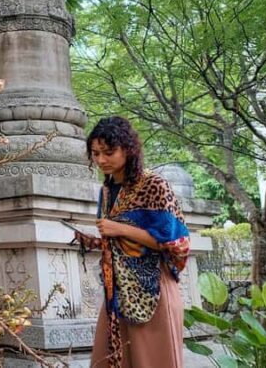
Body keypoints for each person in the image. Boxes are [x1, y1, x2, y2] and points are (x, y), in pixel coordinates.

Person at [75, 117, 190, 368]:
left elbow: (175, 242)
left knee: (153, 362)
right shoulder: (106, 191)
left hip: (153, 289)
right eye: (95, 153)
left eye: (108, 152)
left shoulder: (154, 185)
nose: (101, 160)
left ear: (127, 149)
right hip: (117, 290)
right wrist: (94, 241)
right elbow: (119, 243)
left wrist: (118, 228)